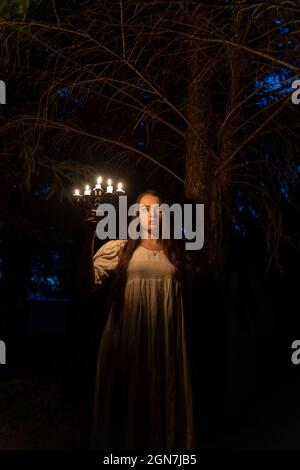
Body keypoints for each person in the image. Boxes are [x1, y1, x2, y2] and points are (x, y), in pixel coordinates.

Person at [80, 190, 196, 450]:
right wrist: (89, 236)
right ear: (136, 215)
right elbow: (87, 284)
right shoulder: (121, 247)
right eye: (145, 209)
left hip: (166, 339)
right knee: (130, 398)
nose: (151, 214)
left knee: (161, 395)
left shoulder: (176, 253)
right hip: (129, 337)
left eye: (157, 209)